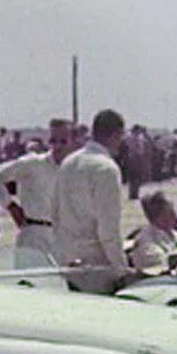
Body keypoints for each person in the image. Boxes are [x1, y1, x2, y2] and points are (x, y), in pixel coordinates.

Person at [53, 108, 130, 293]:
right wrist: (122, 270)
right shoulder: (106, 169)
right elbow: (108, 228)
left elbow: (55, 212)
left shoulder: (69, 161)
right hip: (97, 266)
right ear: (116, 134)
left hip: (69, 260)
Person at [0, 117, 73, 265]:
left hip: (62, 240)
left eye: (63, 141)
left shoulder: (75, 171)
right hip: (33, 237)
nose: (57, 146)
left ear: (73, 143)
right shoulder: (33, 164)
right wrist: (10, 206)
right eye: (53, 141)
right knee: (29, 285)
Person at [128, 191, 177, 271]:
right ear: (158, 216)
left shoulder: (174, 235)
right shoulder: (145, 239)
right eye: (170, 213)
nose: (175, 216)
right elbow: (156, 260)